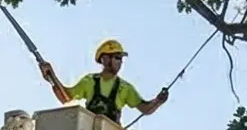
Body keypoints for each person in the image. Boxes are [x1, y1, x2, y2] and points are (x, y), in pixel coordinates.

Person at [38, 38, 168, 123]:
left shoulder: (125, 87)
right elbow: (65, 97)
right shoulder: (90, 81)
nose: (120, 62)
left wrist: (158, 100)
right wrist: (52, 77)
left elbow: (145, 108)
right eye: (117, 57)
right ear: (105, 59)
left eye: (121, 59)